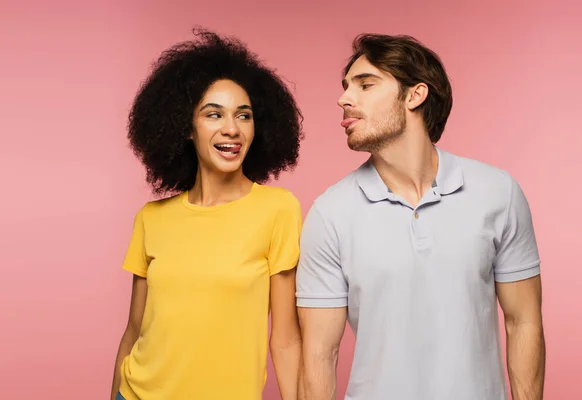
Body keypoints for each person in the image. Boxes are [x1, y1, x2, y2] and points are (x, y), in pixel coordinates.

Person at [296, 33, 545, 400]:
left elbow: (523, 322)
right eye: (347, 87)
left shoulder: (498, 193)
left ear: (415, 95)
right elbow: (319, 354)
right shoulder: (329, 214)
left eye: (366, 85)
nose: (344, 99)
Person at [110, 28, 304, 400]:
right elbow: (134, 330)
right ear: (186, 128)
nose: (231, 129)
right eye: (213, 114)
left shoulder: (278, 209)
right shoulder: (152, 218)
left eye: (243, 116)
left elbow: (286, 339)